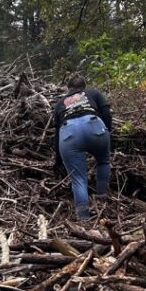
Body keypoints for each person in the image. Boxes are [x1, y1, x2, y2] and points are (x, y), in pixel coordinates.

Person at [53, 75, 113, 220]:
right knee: (103, 161)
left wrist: (58, 160)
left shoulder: (60, 103)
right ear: (83, 87)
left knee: (78, 178)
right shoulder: (93, 93)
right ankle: (101, 198)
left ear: (69, 89)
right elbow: (106, 114)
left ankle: (83, 218)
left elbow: (56, 134)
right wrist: (107, 133)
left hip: (69, 133)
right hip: (94, 126)